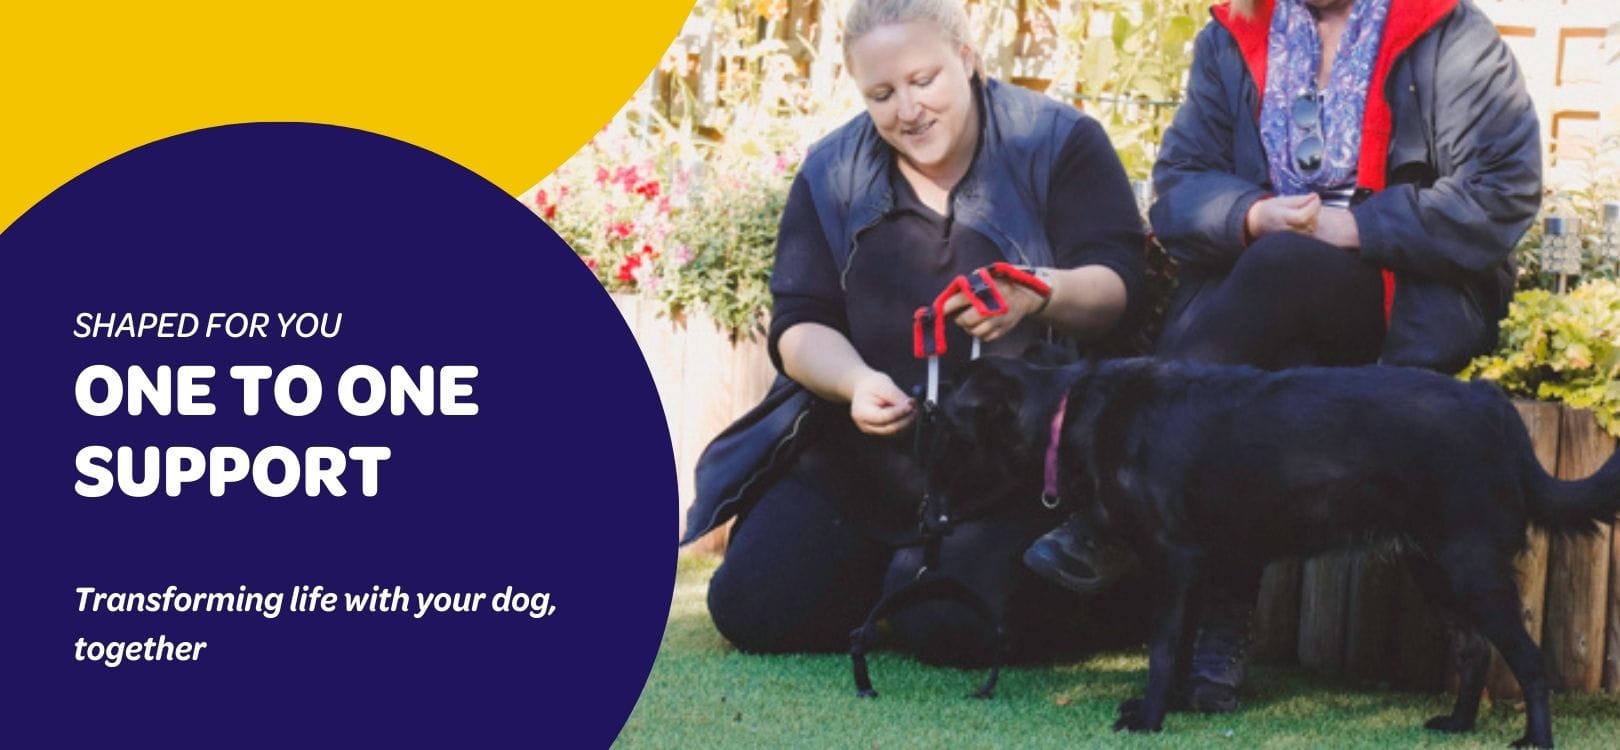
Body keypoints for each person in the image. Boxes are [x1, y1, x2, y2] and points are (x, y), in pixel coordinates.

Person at [1024, 0, 1541, 713]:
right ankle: (1215, 641)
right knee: (1275, 321)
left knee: (1280, 275)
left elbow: (1501, 190)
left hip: (1404, 294)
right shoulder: (1232, 37)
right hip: (1262, 307)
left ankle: (1133, 536)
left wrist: (1353, 225)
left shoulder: (1449, 31)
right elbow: (1177, 187)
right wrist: (1251, 215)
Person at [688, 0, 1148, 666]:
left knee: (948, 629)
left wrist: (1037, 293)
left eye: (923, 79)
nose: (907, 109)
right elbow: (798, 324)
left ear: (966, 57)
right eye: (882, 93)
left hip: (1016, 464)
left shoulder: (1058, 142)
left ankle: (1121, 592)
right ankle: (897, 574)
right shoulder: (831, 169)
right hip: (863, 462)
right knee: (751, 609)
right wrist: (854, 384)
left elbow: (1117, 290)